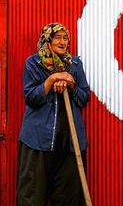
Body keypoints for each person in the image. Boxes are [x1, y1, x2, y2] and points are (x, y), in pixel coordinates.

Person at [17, 23, 90, 206]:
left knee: (69, 198)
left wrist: (71, 83)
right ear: (47, 40)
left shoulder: (74, 65)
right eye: (57, 37)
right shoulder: (34, 63)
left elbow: (84, 97)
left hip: (69, 143)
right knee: (32, 197)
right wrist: (52, 79)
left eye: (65, 38)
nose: (62, 42)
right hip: (38, 141)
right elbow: (31, 97)